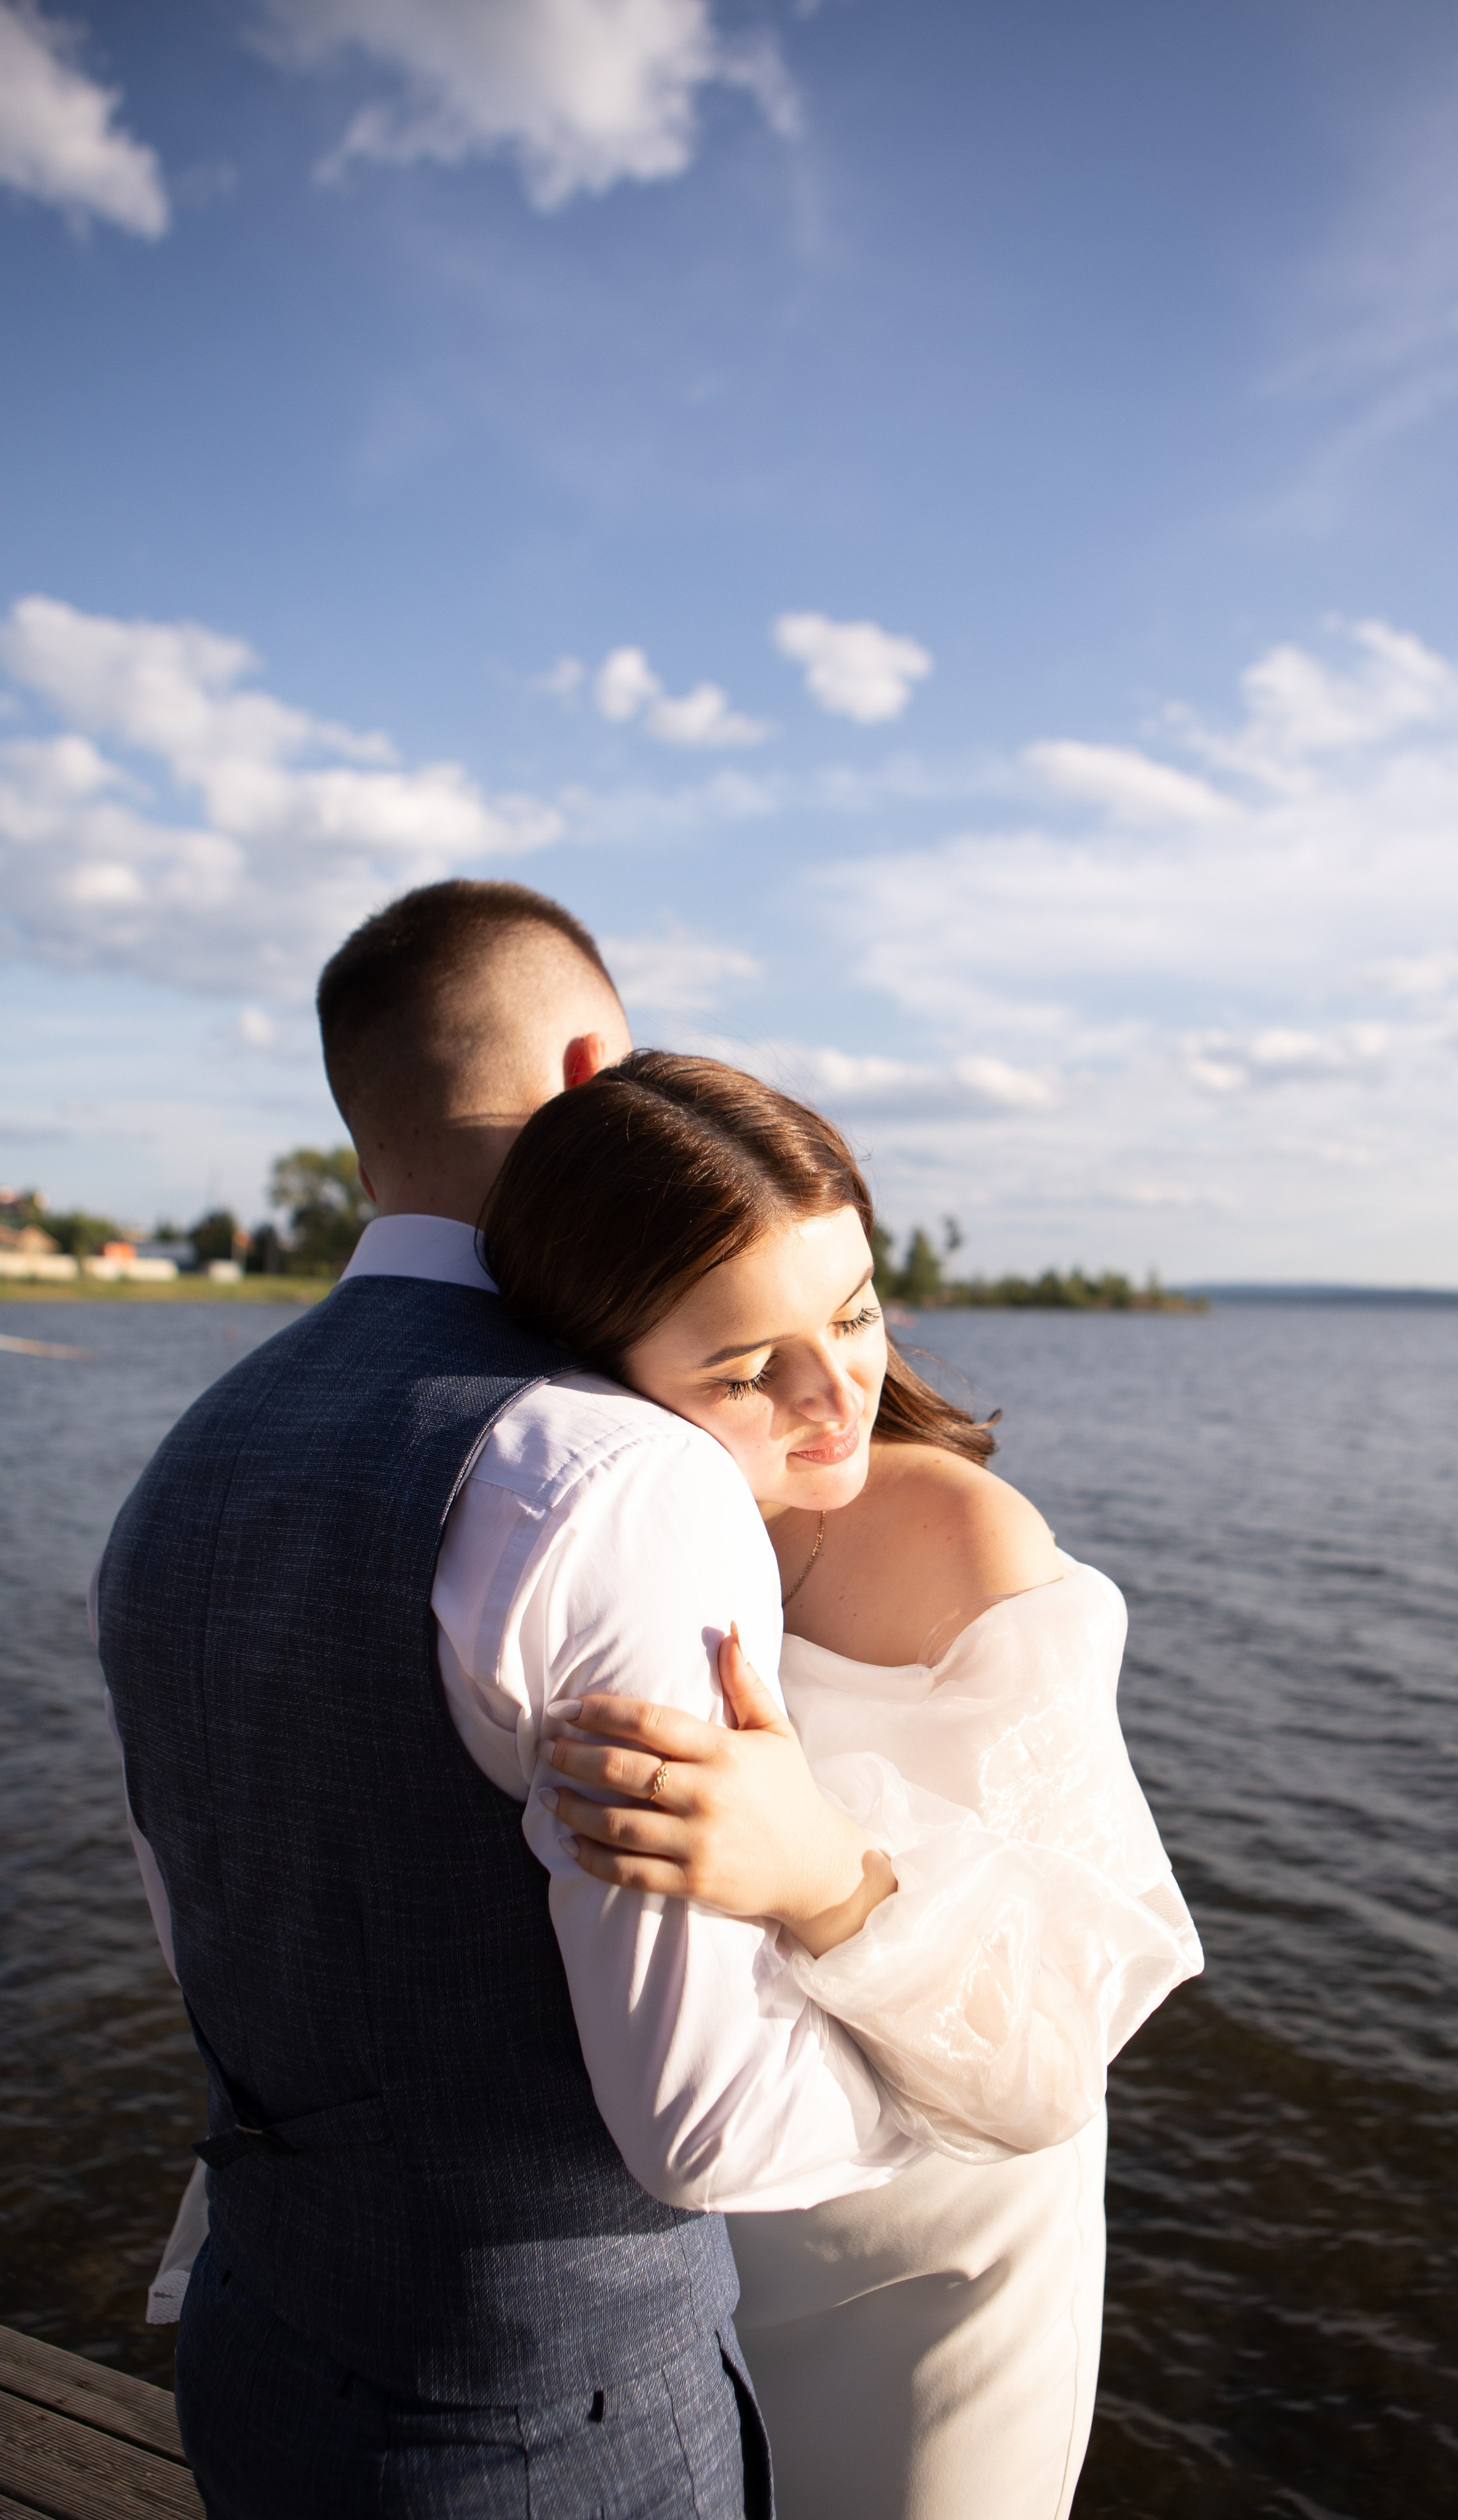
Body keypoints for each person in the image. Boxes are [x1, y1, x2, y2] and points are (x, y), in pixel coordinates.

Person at [100, 881, 934, 2520]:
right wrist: (951, 2062)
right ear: (587, 1075)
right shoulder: (614, 1475)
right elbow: (709, 2129)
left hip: (256, 2352)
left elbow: (216, 1927)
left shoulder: (184, 1464)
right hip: (550, 2433)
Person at [473, 1051, 1204, 2520]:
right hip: (687, 2260)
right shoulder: (582, 1532)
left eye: (856, 1310)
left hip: (935, 2277)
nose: (833, 1395)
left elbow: (1050, 2058)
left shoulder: (960, 1542)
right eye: (746, 1368)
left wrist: (822, 1871)